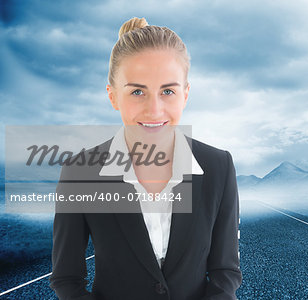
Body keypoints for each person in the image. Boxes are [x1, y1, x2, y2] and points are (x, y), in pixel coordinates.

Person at [49, 17, 242, 299]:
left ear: (185, 94)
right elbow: (67, 278)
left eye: (168, 91)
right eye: (137, 91)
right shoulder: (80, 172)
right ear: (113, 96)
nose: (154, 110)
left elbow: (225, 271)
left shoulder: (218, 167)